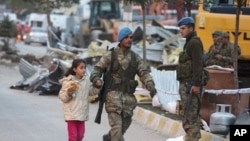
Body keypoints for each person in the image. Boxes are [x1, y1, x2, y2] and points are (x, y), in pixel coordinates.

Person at [90, 27, 157, 141]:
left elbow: (144, 73)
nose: (129, 40)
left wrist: (151, 87)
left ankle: (109, 138)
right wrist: (97, 80)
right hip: (113, 98)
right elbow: (96, 70)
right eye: (126, 37)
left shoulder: (135, 58)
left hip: (128, 101)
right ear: (120, 39)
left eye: (131, 37)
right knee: (117, 128)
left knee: (120, 130)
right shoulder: (110, 55)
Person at [171, 17, 204, 141]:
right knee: (190, 115)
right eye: (180, 28)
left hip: (190, 85)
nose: (181, 31)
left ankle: (192, 138)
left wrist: (196, 84)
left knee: (190, 116)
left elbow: (198, 64)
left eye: (183, 28)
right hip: (187, 84)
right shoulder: (189, 42)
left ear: (191, 28)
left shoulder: (194, 43)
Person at [58, 59, 100, 141]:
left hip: (81, 114)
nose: (84, 70)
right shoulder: (68, 81)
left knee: (80, 136)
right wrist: (69, 93)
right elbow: (62, 97)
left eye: (85, 68)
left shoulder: (87, 81)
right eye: (81, 68)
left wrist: (97, 86)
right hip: (71, 114)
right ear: (74, 69)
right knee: (73, 137)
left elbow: (91, 92)